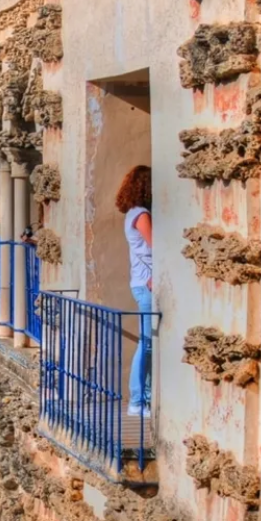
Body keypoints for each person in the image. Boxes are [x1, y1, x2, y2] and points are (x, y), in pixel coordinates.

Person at [117, 165, 155, 417]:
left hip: (140, 283)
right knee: (147, 342)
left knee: (149, 342)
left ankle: (145, 398)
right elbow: (156, 246)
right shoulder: (141, 215)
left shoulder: (131, 213)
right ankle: (138, 400)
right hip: (147, 283)